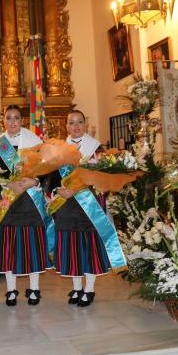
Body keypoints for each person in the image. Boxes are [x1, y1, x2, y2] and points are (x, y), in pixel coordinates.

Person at [46, 110, 121, 307]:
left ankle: (89, 289)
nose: (76, 126)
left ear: (85, 125)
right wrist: (58, 190)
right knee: (72, 246)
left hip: (90, 204)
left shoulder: (96, 149)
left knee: (89, 246)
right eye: (72, 123)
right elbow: (50, 177)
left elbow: (104, 177)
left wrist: (79, 189)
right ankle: (77, 287)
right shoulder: (59, 149)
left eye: (80, 122)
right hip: (67, 205)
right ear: (66, 126)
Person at [0, 105, 51, 306]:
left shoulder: (35, 142)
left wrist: (35, 182)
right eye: (9, 118)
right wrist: (5, 182)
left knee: (31, 246)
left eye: (16, 118)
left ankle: (34, 289)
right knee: (9, 246)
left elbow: (47, 172)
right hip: (8, 200)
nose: (13, 122)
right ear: (4, 121)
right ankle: (11, 290)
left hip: (30, 202)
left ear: (22, 120)